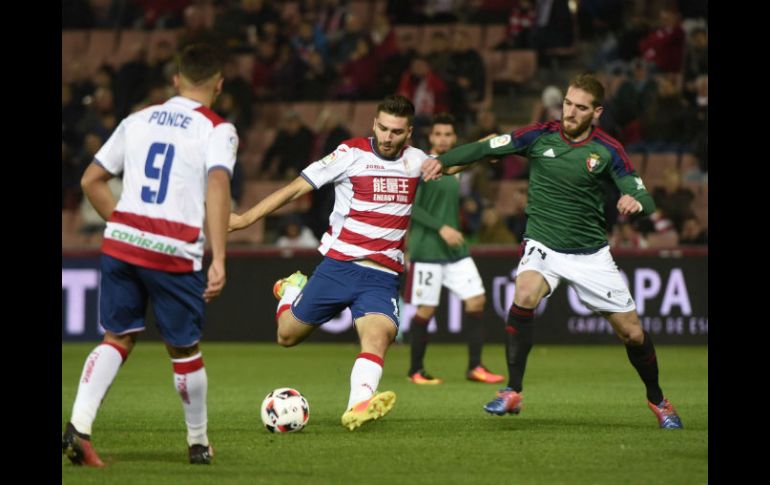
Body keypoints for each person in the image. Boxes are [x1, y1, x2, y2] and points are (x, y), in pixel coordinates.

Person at [421, 74, 683, 429]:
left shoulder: (608, 149)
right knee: (524, 292)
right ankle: (512, 390)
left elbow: (644, 197)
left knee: (632, 333)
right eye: (567, 104)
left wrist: (634, 201)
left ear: (597, 112)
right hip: (543, 243)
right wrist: (443, 160)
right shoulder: (538, 135)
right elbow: (486, 148)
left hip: (590, 254)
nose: (570, 112)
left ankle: (658, 399)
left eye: (580, 107)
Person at [62, 43, 237, 467]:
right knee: (184, 349)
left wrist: (125, 225)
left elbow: (90, 180)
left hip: (122, 244)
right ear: (219, 84)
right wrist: (218, 256)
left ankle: (78, 428)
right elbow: (217, 185)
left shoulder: (137, 119)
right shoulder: (218, 129)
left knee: (117, 337)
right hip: (174, 249)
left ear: (175, 79)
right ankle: (198, 444)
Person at [229, 95, 431, 430]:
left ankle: (358, 406)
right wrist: (244, 219)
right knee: (287, 336)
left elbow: (454, 163)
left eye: (396, 131)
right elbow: (295, 189)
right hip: (340, 266)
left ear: (408, 132)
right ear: (374, 124)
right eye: (383, 128)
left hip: (381, 275)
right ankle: (292, 289)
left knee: (378, 337)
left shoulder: (417, 160)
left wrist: (499, 146)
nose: (387, 136)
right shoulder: (350, 154)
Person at [404, 113, 504, 385]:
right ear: (430, 137)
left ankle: (475, 367)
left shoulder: (451, 165)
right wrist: (442, 228)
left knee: (476, 300)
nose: (443, 139)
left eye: (448, 134)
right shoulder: (422, 165)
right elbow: (410, 206)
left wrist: (487, 144)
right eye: (438, 134)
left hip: (454, 250)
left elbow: (470, 155)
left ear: (454, 138)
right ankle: (416, 370)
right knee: (426, 309)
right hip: (427, 249)